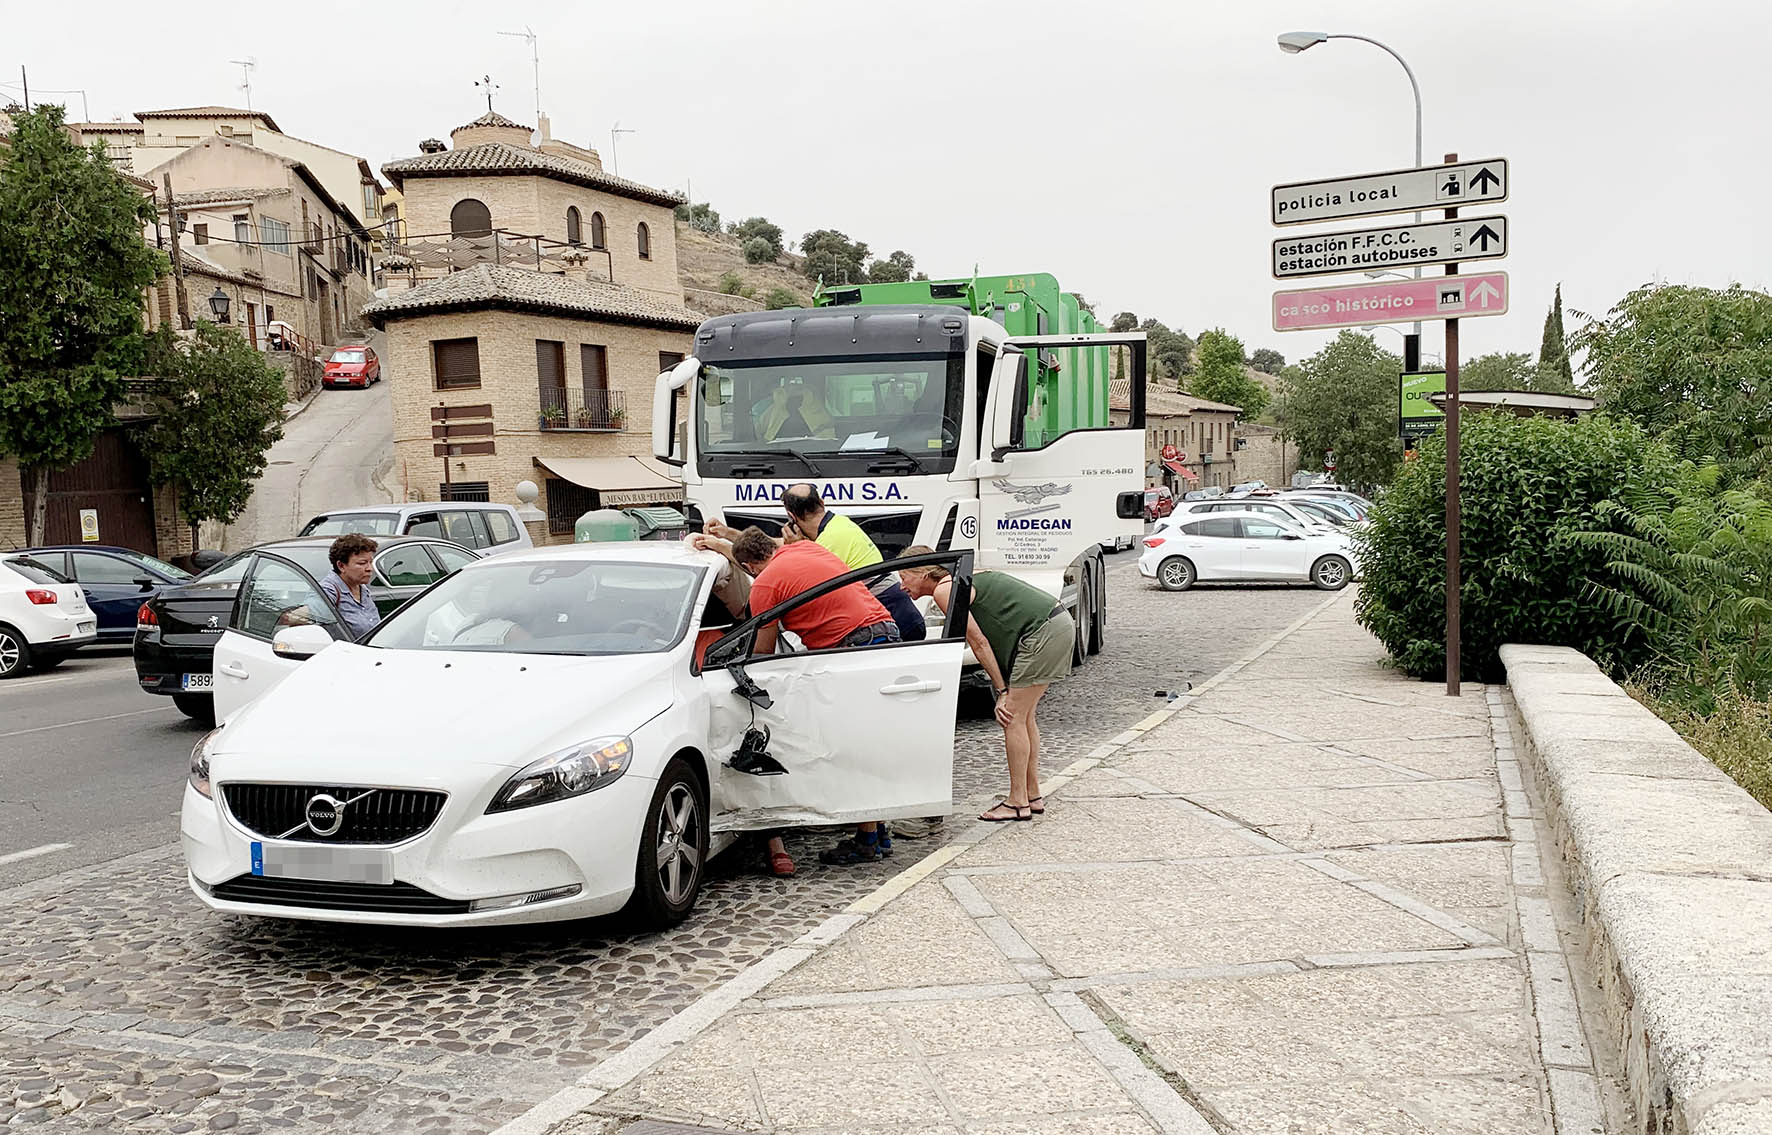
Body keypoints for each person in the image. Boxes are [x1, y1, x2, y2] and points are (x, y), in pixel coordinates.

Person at [688, 526, 900, 868]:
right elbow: (769, 550)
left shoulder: (765, 585)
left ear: (750, 567)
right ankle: (878, 832)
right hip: (887, 634)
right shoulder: (807, 549)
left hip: (848, 651)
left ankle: (867, 841)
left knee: (850, 749)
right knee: (872, 743)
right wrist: (726, 546)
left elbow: (763, 653)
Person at [898, 547, 1074, 822]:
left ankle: (1017, 802)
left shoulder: (946, 590)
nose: (901, 585)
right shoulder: (964, 576)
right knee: (1025, 717)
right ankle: (1032, 794)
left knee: (1011, 717)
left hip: (1042, 632)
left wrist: (1002, 690)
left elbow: (978, 641)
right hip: (1057, 622)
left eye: (904, 576)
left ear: (923, 573)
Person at [320, 534, 381, 641]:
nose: (369, 568)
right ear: (341, 566)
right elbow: (305, 615)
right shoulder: (328, 590)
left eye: (370, 562)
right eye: (362, 563)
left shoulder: (362, 588)